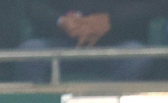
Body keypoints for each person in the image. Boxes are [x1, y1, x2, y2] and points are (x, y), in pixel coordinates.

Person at [16, 1, 164, 82]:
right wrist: (60, 21)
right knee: (29, 52)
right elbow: (32, 5)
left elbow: (154, 5)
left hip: (116, 46)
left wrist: (110, 21)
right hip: (62, 44)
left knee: (138, 57)